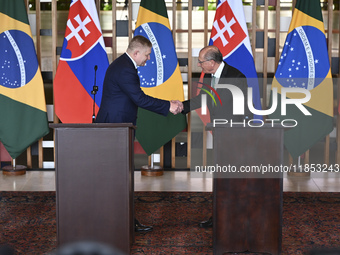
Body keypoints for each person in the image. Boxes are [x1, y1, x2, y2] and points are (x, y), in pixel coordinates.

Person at [96, 35, 183, 232]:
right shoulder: (125, 69)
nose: (148, 59)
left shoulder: (123, 65)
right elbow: (140, 99)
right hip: (115, 128)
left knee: (120, 176)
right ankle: (118, 222)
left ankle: (123, 220)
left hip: (118, 127)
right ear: (136, 53)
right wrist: (168, 105)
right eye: (147, 55)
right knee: (117, 177)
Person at [182, 45, 252, 228]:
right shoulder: (209, 77)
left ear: (212, 62)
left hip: (235, 137)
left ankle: (237, 218)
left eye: (201, 62)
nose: (199, 65)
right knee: (221, 177)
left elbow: (243, 110)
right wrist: (182, 107)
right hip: (220, 134)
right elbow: (202, 99)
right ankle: (220, 216)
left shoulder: (236, 77)